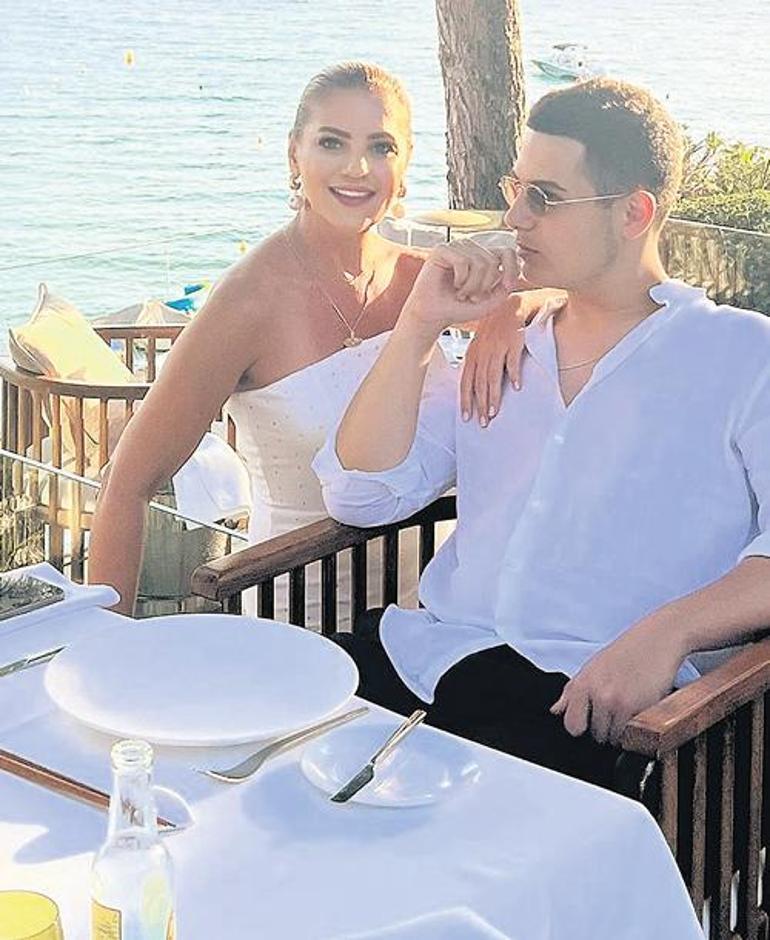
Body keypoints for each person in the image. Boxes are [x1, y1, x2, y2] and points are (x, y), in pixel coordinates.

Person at [314, 77, 770, 791]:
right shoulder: (502, 346)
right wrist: (418, 327)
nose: (513, 217)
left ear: (634, 213)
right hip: (425, 663)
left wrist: (670, 630)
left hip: (594, 711)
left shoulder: (742, 357)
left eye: (544, 198)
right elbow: (360, 495)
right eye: (516, 188)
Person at [88, 61, 547, 618]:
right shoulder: (247, 302)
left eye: (381, 147)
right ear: (294, 156)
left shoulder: (422, 279)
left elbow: (583, 294)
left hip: (435, 617)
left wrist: (512, 310)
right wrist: (104, 642)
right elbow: (127, 484)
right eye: (332, 142)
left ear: (404, 166)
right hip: (299, 621)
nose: (357, 167)